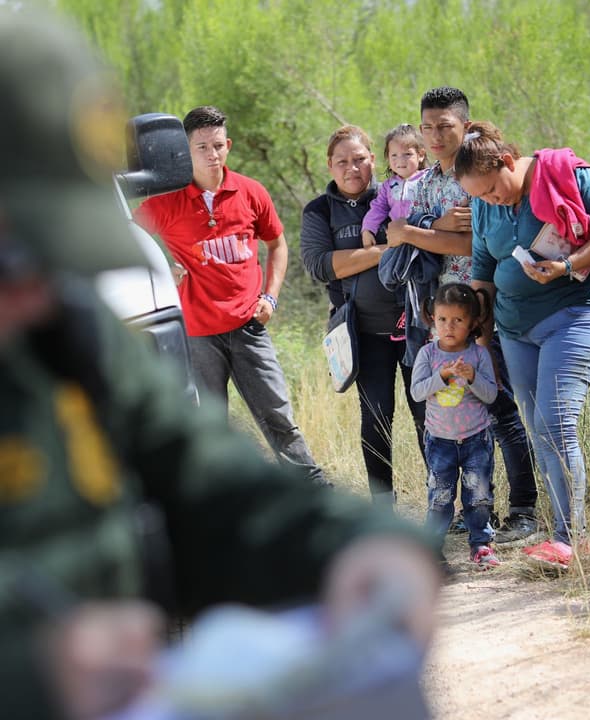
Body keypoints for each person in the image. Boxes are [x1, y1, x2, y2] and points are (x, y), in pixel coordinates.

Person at [0, 14, 438, 720]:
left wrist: (356, 543)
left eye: (63, 257)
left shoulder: (67, 333)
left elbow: (201, 472)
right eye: (18, 256)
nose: (40, 291)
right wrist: (31, 672)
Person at [454, 121, 590, 569]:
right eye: (482, 197)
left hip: (575, 315)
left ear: (509, 163)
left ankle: (572, 539)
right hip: (516, 330)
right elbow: (482, 263)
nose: (492, 200)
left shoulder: (566, 175)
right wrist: (478, 317)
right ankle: (563, 536)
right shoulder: (484, 206)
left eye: (495, 188)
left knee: (556, 424)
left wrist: (569, 264)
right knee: (539, 430)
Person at [134, 105, 326, 485]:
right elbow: (122, 236)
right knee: (209, 426)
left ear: (229, 145)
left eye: (218, 145)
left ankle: (314, 491)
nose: (212, 154)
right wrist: (160, 265)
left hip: (249, 325)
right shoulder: (166, 201)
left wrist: (270, 298)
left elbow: (279, 244)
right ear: (185, 151)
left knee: (278, 415)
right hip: (198, 334)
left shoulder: (250, 192)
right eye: (202, 147)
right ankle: (219, 506)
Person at [387, 87, 539, 545]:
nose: (434, 135)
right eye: (427, 127)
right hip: (439, 314)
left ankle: (524, 508)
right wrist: (424, 230)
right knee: (443, 406)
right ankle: (465, 508)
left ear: (466, 126)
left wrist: (413, 232)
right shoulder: (428, 180)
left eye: (445, 126)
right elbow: (408, 237)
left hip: (483, 308)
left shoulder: (479, 175)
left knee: (499, 406)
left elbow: (475, 246)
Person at [299, 126, 438, 503]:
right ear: (330, 165)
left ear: (373, 160)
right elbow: (320, 266)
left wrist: (397, 240)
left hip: (416, 327)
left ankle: (443, 502)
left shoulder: (395, 193)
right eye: (342, 161)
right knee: (376, 418)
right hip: (363, 334)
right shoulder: (319, 210)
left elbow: (426, 236)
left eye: (359, 159)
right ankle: (382, 506)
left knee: (428, 416)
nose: (352, 168)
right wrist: (384, 250)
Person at [409, 283, 500, 569]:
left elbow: (491, 395)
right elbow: (417, 392)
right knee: (440, 496)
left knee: (478, 495)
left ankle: (481, 544)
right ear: (432, 319)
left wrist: (472, 377)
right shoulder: (428, 354)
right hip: (440, 441)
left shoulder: (478, 355)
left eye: (458, 320)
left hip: (476, 439)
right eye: (442, 320)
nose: (449, 327)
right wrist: (443, 376)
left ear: (472, 322)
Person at [361, 124, 429, 249]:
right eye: (394, 155)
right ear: (388, 157)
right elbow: (378, 208)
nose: (400, 160)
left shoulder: (429, 179)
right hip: (398, 242)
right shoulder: (388, 186)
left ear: (420, 155)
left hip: (425, 238)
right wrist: (368, 229)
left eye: (407, 154)